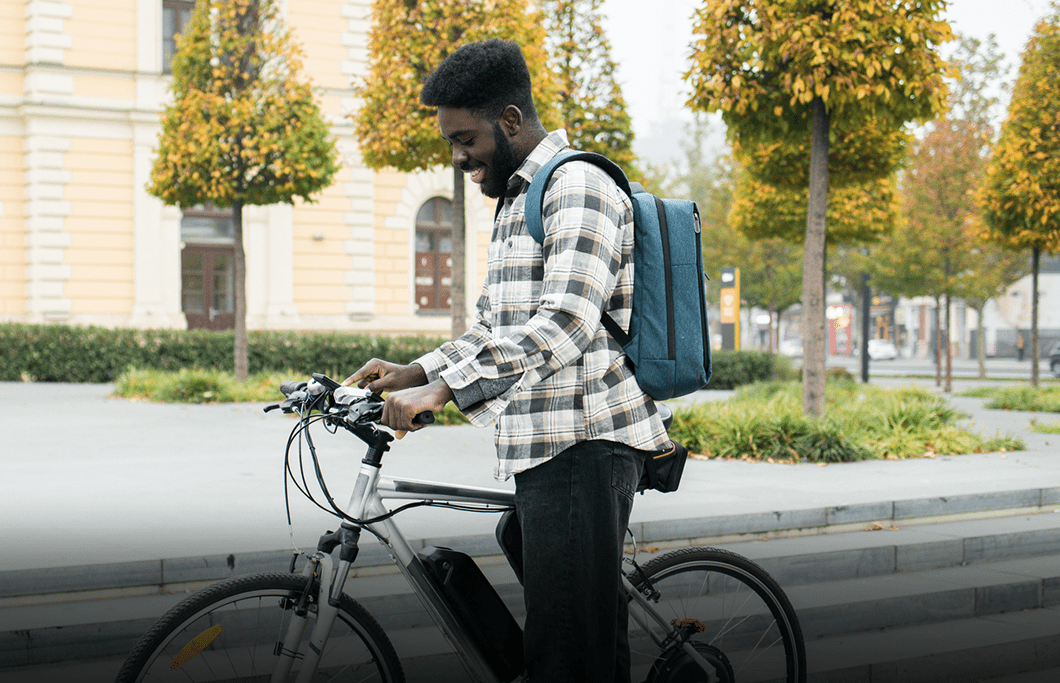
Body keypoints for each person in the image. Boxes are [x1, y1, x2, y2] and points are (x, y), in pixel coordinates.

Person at [344, 39, 669, 683]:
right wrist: (417, 369)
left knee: (565, 662)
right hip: (547, 447)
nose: (458, 157)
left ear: (512, 121)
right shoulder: (518, 199)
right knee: (577, 645)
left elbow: (566, 324)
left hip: (586, 442)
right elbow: (498, 328)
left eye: (465, 139)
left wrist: (444, 391)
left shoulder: (578, 184)